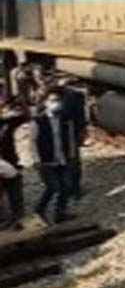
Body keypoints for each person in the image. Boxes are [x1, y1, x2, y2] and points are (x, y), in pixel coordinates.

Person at [31, 91, 76, 224]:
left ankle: (59, 213)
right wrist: (36, 160)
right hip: (46, 160)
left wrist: (72, 154)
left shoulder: (65, 119)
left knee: (66, 186)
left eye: (58, 100)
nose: (56, 103)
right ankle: (39, 210)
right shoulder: (38, 121)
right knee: (53, 187)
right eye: (52, 100)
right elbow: (32, 142)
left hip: (62, 158)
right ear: (46, 103)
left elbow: (70, 138)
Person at [0, 99, 26, 230]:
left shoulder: (7, 122)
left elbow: (23, 117)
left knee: (15, 194)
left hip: (9, 162)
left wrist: (12, 113)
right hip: (4, 166)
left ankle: (18, 218)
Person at [60, 85, 87, 202]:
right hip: (55, 135)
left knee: (72, 161)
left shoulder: (72, 96)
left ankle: (74, 188)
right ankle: (68, 188)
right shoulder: (42, 96)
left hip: (68, 134)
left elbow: (80, 118)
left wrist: (82, 131)